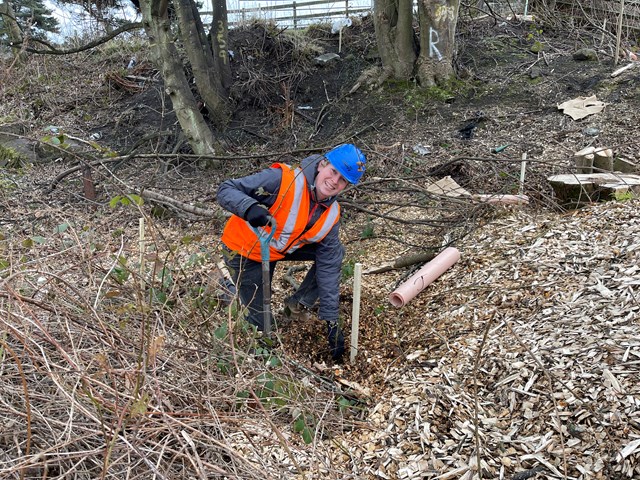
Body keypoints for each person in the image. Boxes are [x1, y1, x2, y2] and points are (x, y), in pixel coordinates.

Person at [217, 144, 366, 361]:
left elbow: (330, 265)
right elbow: (226, 189)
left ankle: (296, 305)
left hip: (277, 249)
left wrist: (332, 321)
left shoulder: (331, 213)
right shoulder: (282, 180)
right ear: (322, 164)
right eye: (333, 171)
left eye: (342, 180)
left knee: (333, 255)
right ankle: (225, 289)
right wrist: (249, 208)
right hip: (243, 250)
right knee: (260, 326)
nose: (334, 181)